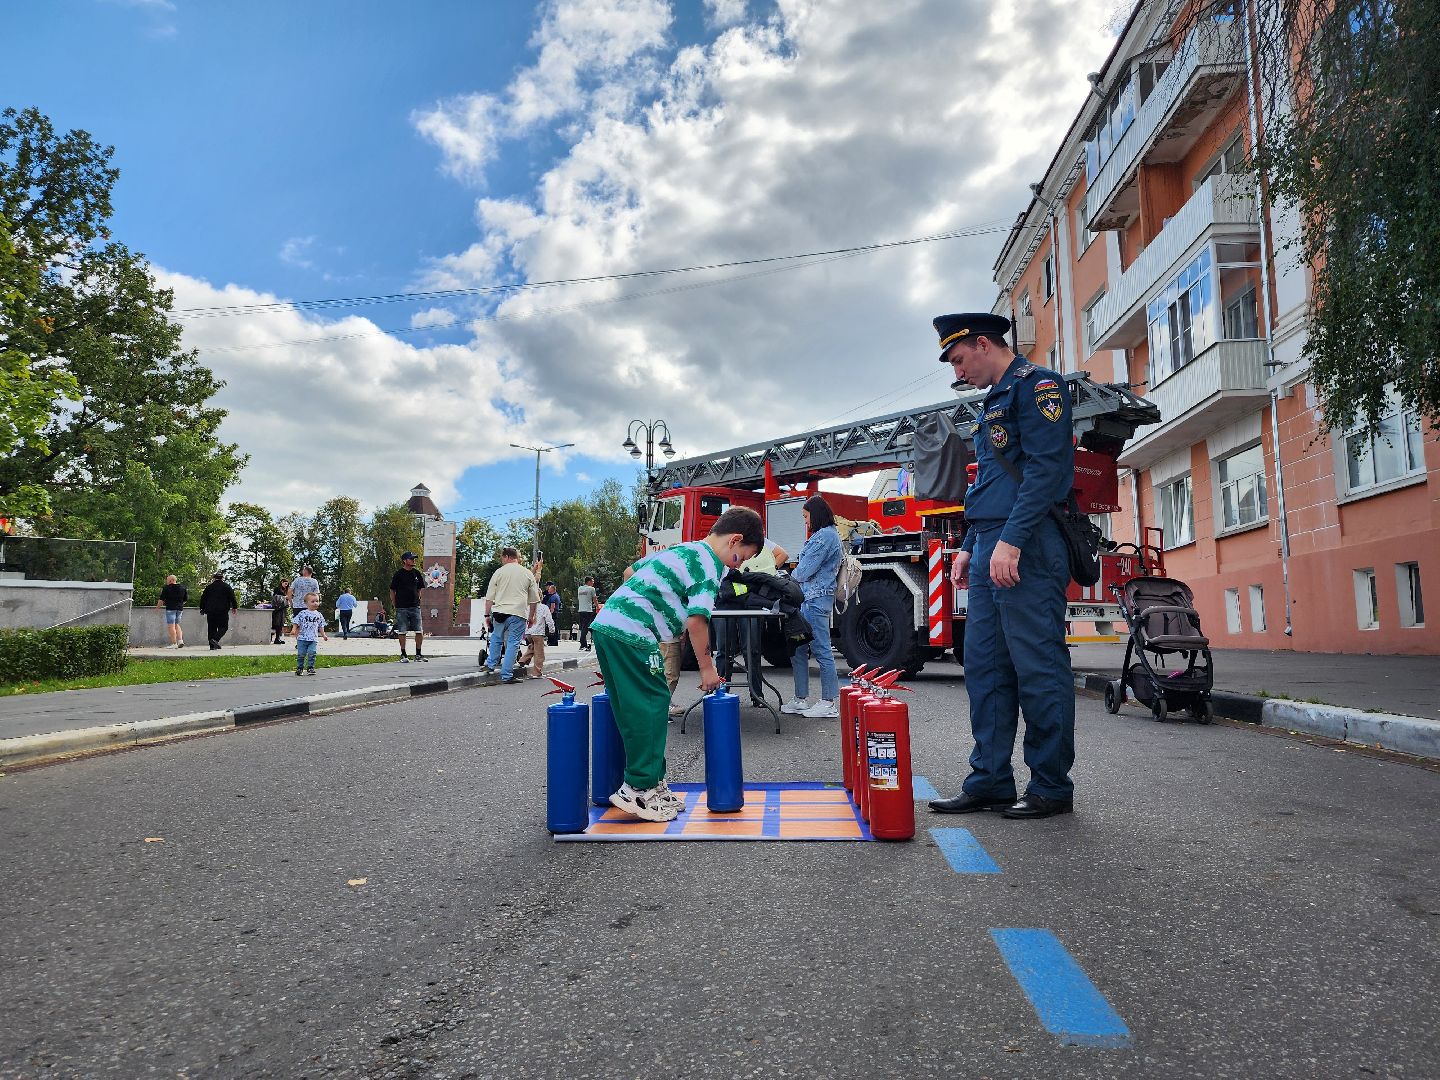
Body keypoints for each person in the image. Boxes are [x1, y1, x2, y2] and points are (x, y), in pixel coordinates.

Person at [926, 312, 1077, 820]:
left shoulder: (1040, 388)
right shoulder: (994, 399)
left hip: (1028, 542)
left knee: (1037, 665)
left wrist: (1010, 539)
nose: (958, 372)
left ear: (983, 344)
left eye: (960, 359)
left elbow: (1045, 471)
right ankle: (989, 779)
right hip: (993, 539)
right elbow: (990, 480)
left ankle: (1051, 785)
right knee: (985, 667)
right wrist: (971, 542)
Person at [593, 506, 763, 822]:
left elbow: (631, 572)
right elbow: (698, 620)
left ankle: (654, 784)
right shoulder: (709, 565)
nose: (738, 565)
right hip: (632, 632)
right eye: (742, 557)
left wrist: (655, 603)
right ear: (734, 540)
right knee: (651, 702)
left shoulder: (685, 550)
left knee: (643, 703)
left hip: (612, 627)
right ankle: (639, 788)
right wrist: (707, 668)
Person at [781, 496, 843, 718]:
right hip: (812, 599)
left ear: (815, 515)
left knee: (820, 650)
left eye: (806, 516)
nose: (805, 521)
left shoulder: (825, 536)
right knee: (801, 649)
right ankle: (800, 699)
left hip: (815, 600)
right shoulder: (827, 535)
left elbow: (805, 571)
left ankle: (828, 702)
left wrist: (790, 575)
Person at [483, 547, 541, 683]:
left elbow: (489, 597)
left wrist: (486, 615)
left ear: (507, 557)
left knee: (496, 638)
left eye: (502, 558)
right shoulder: (527, 573)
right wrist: (531, 617)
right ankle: (506, 675)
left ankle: (490, 665)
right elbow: (534, 599)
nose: (502, 561)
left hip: (499, 612)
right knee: (513, 643)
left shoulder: (499, 572)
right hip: (518, 613)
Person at [390, 552, 428, 663]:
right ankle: (403, 654)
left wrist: (418, 599)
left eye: (414, 559)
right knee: (402, 631)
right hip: (401, 607)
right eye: (411, 559)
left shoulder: (416, 573)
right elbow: (392, 589)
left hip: (415, 607)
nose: (413, 560)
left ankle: (418, 654)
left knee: (419, 631)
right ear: (405, 561)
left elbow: (419, 588)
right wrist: (394, 603)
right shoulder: (398, 574)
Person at [289, 591, 328, 675]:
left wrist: (323, 635)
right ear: (306, 603)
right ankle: (300, 668)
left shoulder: (319, 615)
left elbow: (321, 626)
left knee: (312, 653)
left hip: (313, 638)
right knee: (301, 654)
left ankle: (310, 667)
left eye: (317, 601)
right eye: (313, 601)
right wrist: (294, 629)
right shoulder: (302, 613)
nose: (315, 603)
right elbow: (296, 622)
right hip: (302, 638)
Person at [198, 571, 239, 650]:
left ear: (214, 578)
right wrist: (234, 607)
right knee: (224, 627)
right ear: (222, 578)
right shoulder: (227, 587)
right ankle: (215, 639)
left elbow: (203, 598)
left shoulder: (209, 587)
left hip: (210, 611)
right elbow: (232, 598)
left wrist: (202, 608)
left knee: (211, 628)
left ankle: (212, 646)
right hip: (222, 611)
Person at [519, 599, 555, 679]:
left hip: (528, 632)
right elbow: (549, 620)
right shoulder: (544, 607)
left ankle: (523, 660)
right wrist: (552, 630)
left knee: (533, 646)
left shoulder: (527, 607)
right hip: (538, 632)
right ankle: (537, 673)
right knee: (539, 653)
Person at [156, 574, 188, 648]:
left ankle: (174, 644)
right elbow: (185, 600)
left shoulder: (166, 588)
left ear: (171, 580)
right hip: (180, 609)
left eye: (167, 581)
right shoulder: (183, 588)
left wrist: (157, 608)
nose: (167, 582)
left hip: (170, 609)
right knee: (177, 624)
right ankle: (180, 641)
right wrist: (180, 604)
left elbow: (161, 599)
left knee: (171, 626)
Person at [576, 575, 600, 651]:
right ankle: (583, 644)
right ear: (589, 582)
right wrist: (597, 607)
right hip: (588, 610)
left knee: (583, 627)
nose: (593, 583)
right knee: (586, 628)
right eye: (592, 582)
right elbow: (595, 599)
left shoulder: (580, 588)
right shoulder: (591, 589)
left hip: (581, 610)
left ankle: (584, 644)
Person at [270, 577, 290, 644]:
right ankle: (271, 638)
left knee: (281, 624)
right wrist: (285, 597)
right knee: (275, 623)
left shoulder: (286, 590)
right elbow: (275, 598)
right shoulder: (277, 589)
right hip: (277, 609)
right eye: (285, 583)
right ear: (281, 582)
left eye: (287, 584)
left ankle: (277, 638)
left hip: (283, 608)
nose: (286, 585)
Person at [543, 582, 562, 647]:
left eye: (549, 589)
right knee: (554, 627)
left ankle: (552, 641)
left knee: (552, 627)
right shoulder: (555, 596)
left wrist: (549, 614)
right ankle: (553, 641)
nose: (548, 590)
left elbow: (552, 606)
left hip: (553, 613)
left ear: (552, 589)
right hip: (554, 613)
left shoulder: (553, 597)